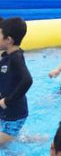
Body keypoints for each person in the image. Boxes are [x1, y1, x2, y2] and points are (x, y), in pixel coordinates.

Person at [0, 17, 33, 145]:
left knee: (6, 146)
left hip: (14, 113)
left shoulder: (16, 58)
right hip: (6, 111)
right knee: (9, 139)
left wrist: (7, 101)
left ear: (8, 40)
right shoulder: (6, 56)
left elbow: (27, 80)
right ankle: (30, 139)